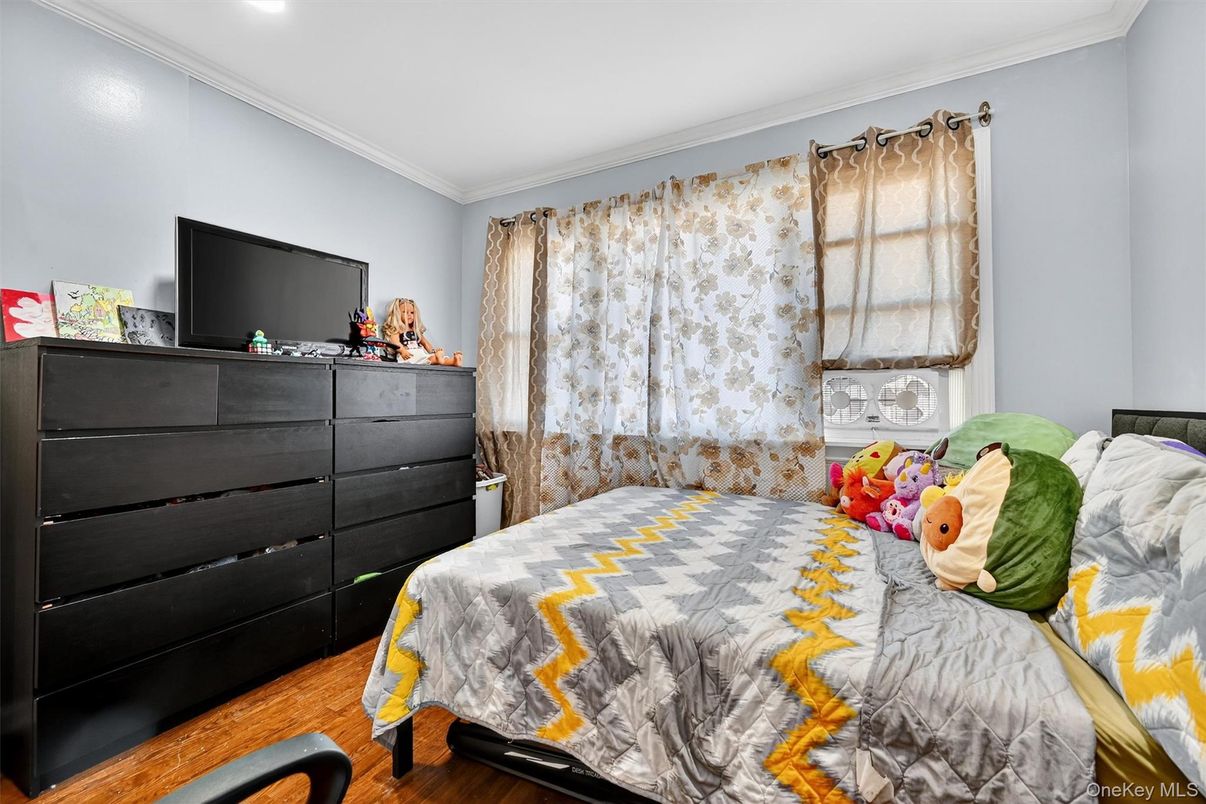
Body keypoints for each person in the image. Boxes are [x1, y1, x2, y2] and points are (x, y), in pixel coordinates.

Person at [381, 298, 462, 366]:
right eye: (405, 312)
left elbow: (425, 343)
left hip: (419, 352)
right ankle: (439, 358)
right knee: (430, 359)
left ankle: (454, 361)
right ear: (397, 314)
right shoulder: (397, 329)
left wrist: (433, 351)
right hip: (408, 355)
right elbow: (395, 342)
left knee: (431, 358)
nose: (409, 315)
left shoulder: (415, 330)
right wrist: (402, 350)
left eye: (412, 313)